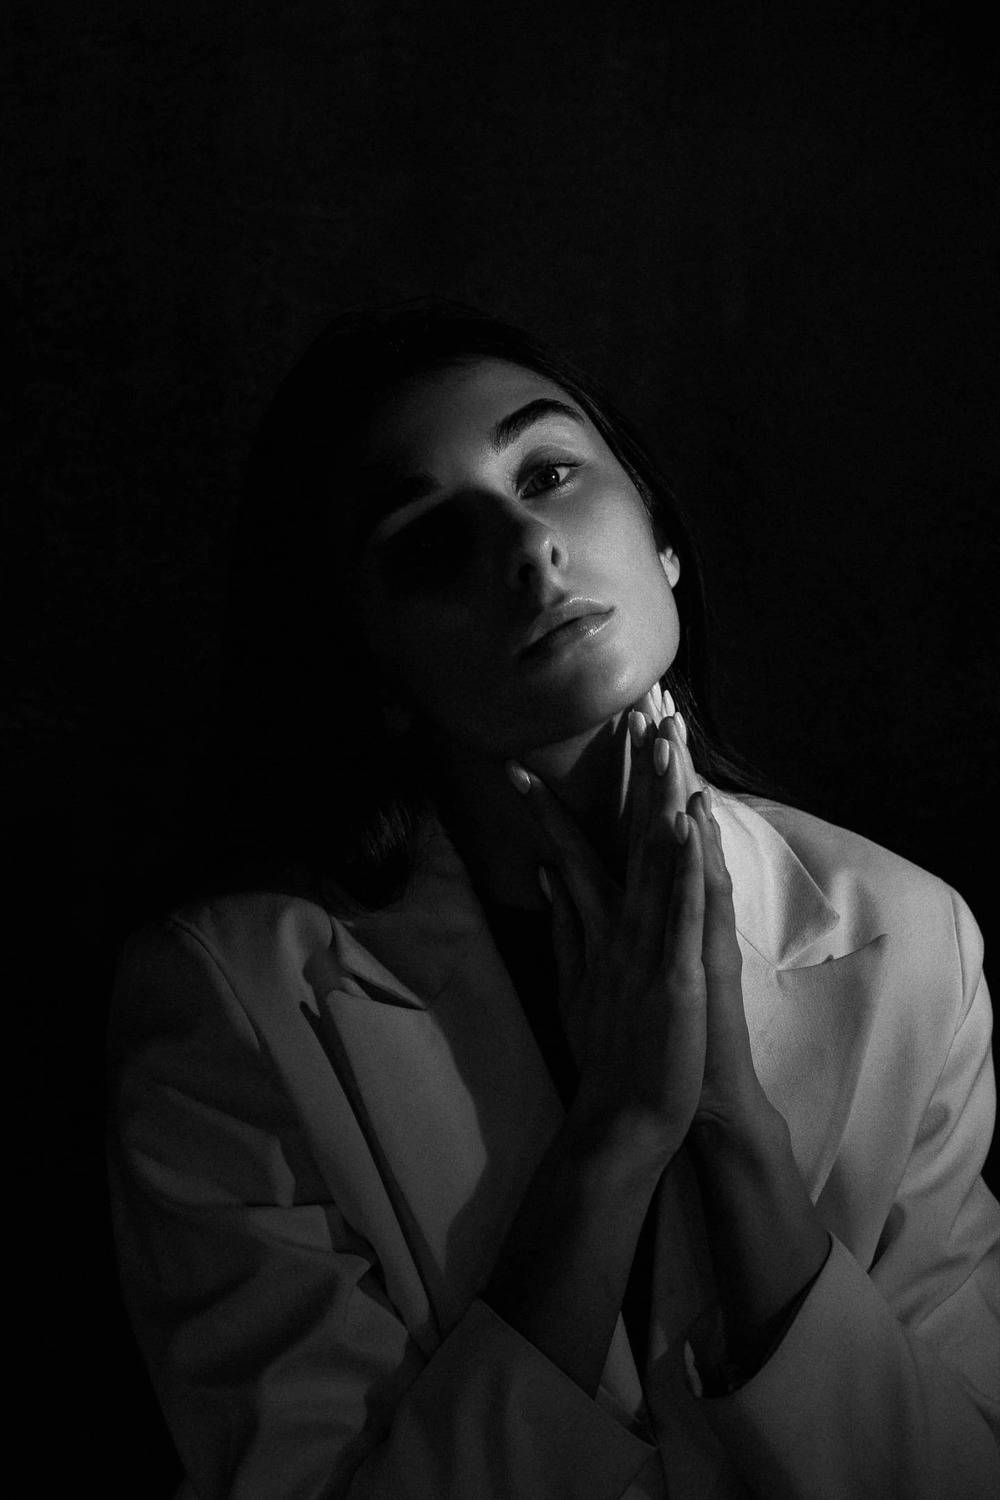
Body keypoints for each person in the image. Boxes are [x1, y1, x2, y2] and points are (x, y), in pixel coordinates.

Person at [107, 302, 1000, 1499]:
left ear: (661, 538)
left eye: (547, 474)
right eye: (430, 535)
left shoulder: (910, 936)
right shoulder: (231, 1009)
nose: (527, 546)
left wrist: (732, 1128)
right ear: (369, 664)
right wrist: (615, 1139)